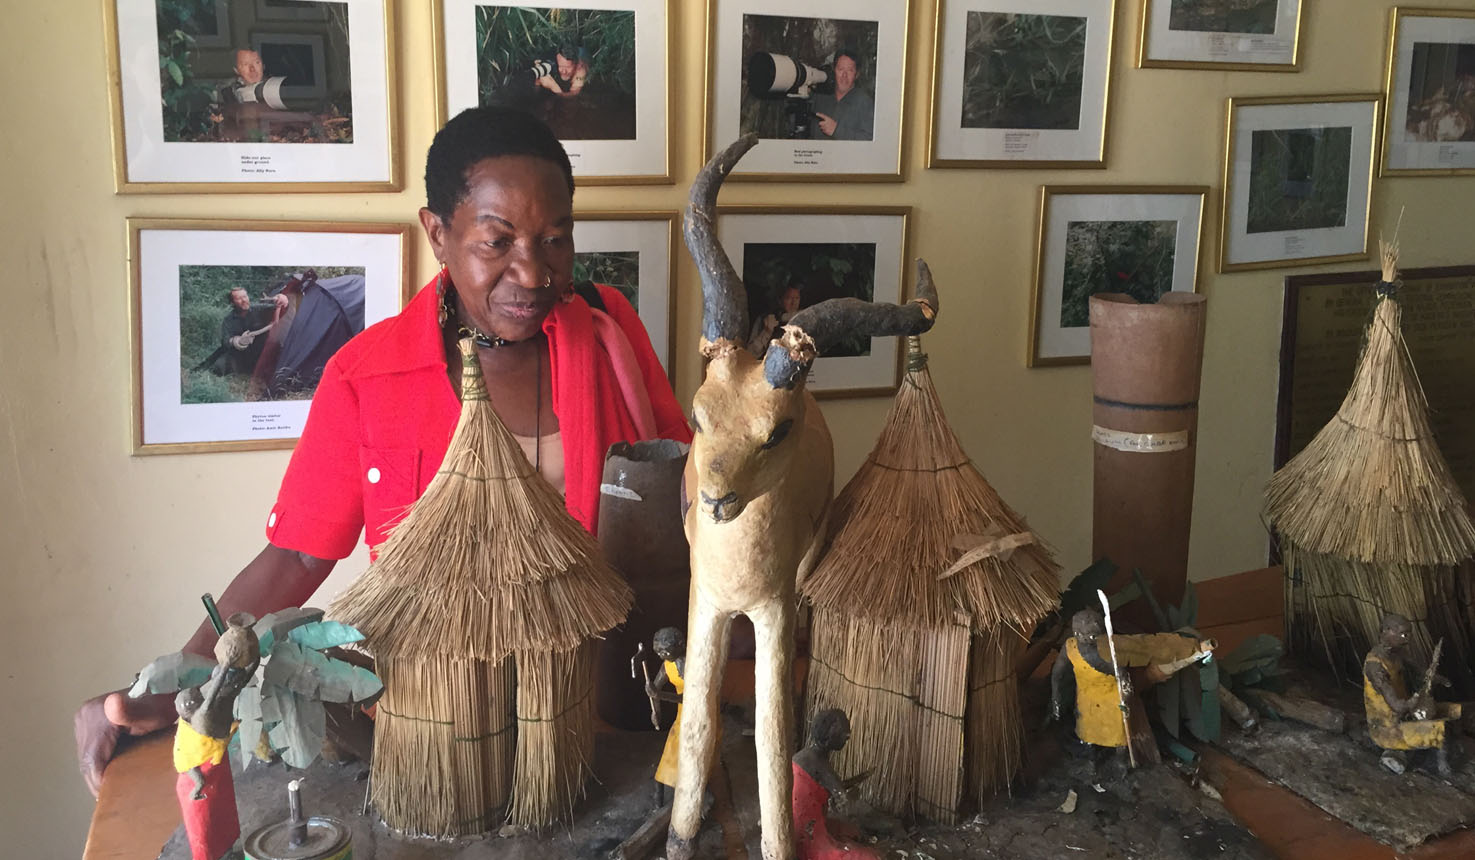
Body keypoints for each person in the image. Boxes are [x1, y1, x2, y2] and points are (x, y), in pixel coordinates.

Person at [75, 105, 692, 795]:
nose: (531, 271)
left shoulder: (608, 335)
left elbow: (686, 491)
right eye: (497, 242)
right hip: (443, 717)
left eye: (554, 239)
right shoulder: (367, 376)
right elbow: (297, 554)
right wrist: (181, 681)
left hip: (604, 702)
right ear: (438, 233)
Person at [1364, 612, 1462, 776]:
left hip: (1406, 713)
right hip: (1388, 727)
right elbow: (1397, 706)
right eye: (1403, 634)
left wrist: (1435, 678)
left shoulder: (1397, 654)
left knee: (1454, 710)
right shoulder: (1375, 667)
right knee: (1440, 729)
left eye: (1409, 634)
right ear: (1387, 631)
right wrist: (1416, 699)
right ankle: (1440, 768)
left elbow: (1419, 672)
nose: (1407, 639)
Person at [791, 708, 878, 860]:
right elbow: (844, 803)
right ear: (829, 734)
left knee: (850, 830)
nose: (847, 736)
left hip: (796, 824)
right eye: (843, 731)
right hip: (806, 832)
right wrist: (853, 794)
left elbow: (828, 785)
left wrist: (858, 778)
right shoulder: (820, 765)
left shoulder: (805, 755)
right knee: (869, 857)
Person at [211, 287, 286, 376]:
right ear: (232, 303)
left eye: (245, 296)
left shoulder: (259, 309)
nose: (244, 300)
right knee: (219, 366)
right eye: (239, 298)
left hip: (261, 351)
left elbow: (280, 307)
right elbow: (225, 341)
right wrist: (238, 341)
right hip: (241, 355)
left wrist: (283, 298)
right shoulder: (229, 319)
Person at [810, 50, 874, 141]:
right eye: (840, 69)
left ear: (857, 74)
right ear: (834, 71)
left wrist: (836, 130)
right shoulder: (820, 97)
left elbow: (869, 140)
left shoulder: (864, 102)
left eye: (850, 70)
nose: (844, 75)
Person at [746, 284, 802, 357]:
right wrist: (767, 332)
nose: (793, 303)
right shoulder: (765, 320)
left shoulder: (803, 320)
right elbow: (750, 354)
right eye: (788, 298)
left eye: (797, 298)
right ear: (780, 300)